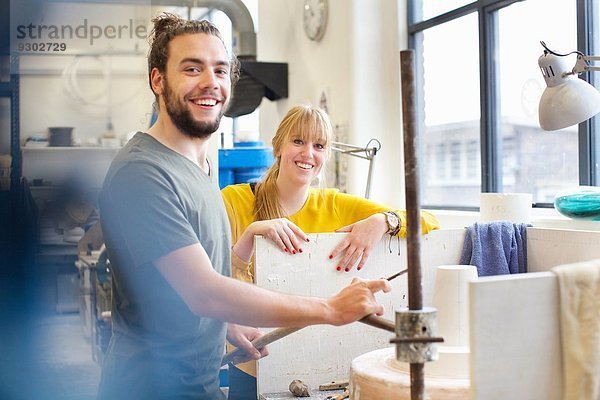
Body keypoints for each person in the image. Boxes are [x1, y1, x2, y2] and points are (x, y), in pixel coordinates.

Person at [96, 14, 391, 400]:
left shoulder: (198, 168)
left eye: (220, 70)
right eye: (192, 68)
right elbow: (205, 292)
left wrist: (224, 324)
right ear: (158, 80)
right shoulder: (143, 172)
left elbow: (188, 294)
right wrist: (330, 309)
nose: (210, 82)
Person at [221, 104, 440, 399]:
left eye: (319, 145)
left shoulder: (337, 205)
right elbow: (214, 280)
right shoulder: (233, 200)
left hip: (315, 364)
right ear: (278, 147)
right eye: (298, 141)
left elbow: (428, 220)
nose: (308, 153)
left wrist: (383, 221)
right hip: (251, 360)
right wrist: (250, 234)